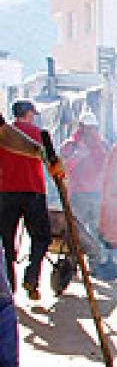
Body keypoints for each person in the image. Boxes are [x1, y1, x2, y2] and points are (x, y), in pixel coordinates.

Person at [0, 112, 50, 367]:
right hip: (26, 195)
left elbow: (3, 133)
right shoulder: (33, 131)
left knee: (3, 298)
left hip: (6, 196)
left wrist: (39, 151)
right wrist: (39, 151)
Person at [0, 100, 61, 301]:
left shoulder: (5, 133)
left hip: (6, 193)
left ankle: (8, 288)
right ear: (28, 113)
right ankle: (32, 276)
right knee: (42, 238)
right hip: (33, 192)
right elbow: (51, 162)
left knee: (6, 243)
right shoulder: (39, 134)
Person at [61, 109, 109, 241]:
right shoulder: (71, 145)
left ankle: (98, 259)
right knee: (77, 229)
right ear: (81, 127)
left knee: (98, 230)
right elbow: (63, 169)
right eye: (89, 128)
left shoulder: (102, 144)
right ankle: (74, 257)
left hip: (97, 194)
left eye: (94, 128)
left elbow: (107, 167)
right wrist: (78, 155)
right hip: (78, 193)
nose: (92, 132)